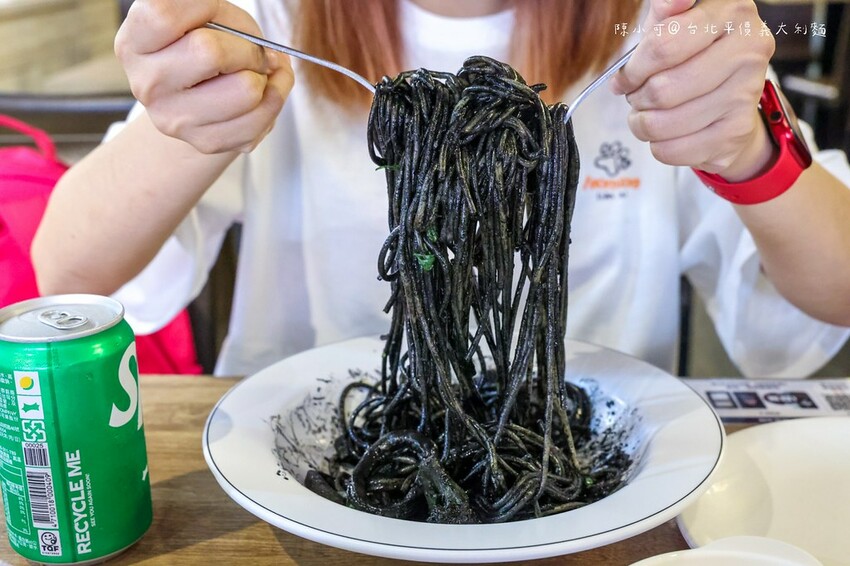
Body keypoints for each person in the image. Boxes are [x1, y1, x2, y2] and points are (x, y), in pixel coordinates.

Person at [32, 0, 850, 377]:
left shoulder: (655, 34)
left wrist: (749, 145)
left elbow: (836, 290)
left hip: (597, 490)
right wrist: (194, 120)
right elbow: (65, 274)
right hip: (296, 487)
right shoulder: (270, 24)